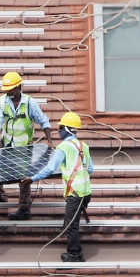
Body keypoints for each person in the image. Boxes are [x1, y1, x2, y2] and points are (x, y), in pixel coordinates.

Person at [28, 111, 93, 262]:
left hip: (75, 193)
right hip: (86, 193)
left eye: (61, 127)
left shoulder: (63, 147)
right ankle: (78, 252)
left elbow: (50, 168)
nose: (59, 130)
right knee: (70, 223)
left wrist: (32, 178)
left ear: (68, 129)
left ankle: (73, 256)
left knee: (71, 226)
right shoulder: (84, 146)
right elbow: (90, 169)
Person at [0, 72, 53, 221]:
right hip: (6, 141)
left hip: (23, 145)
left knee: (24, 176)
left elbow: (43, 121)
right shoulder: (1, 101)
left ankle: (24, 208)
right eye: (6, 89)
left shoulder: (30, 103)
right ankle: (0, 196)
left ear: (18, 87)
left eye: (10, 89)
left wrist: (50, 141)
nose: (7, 92)